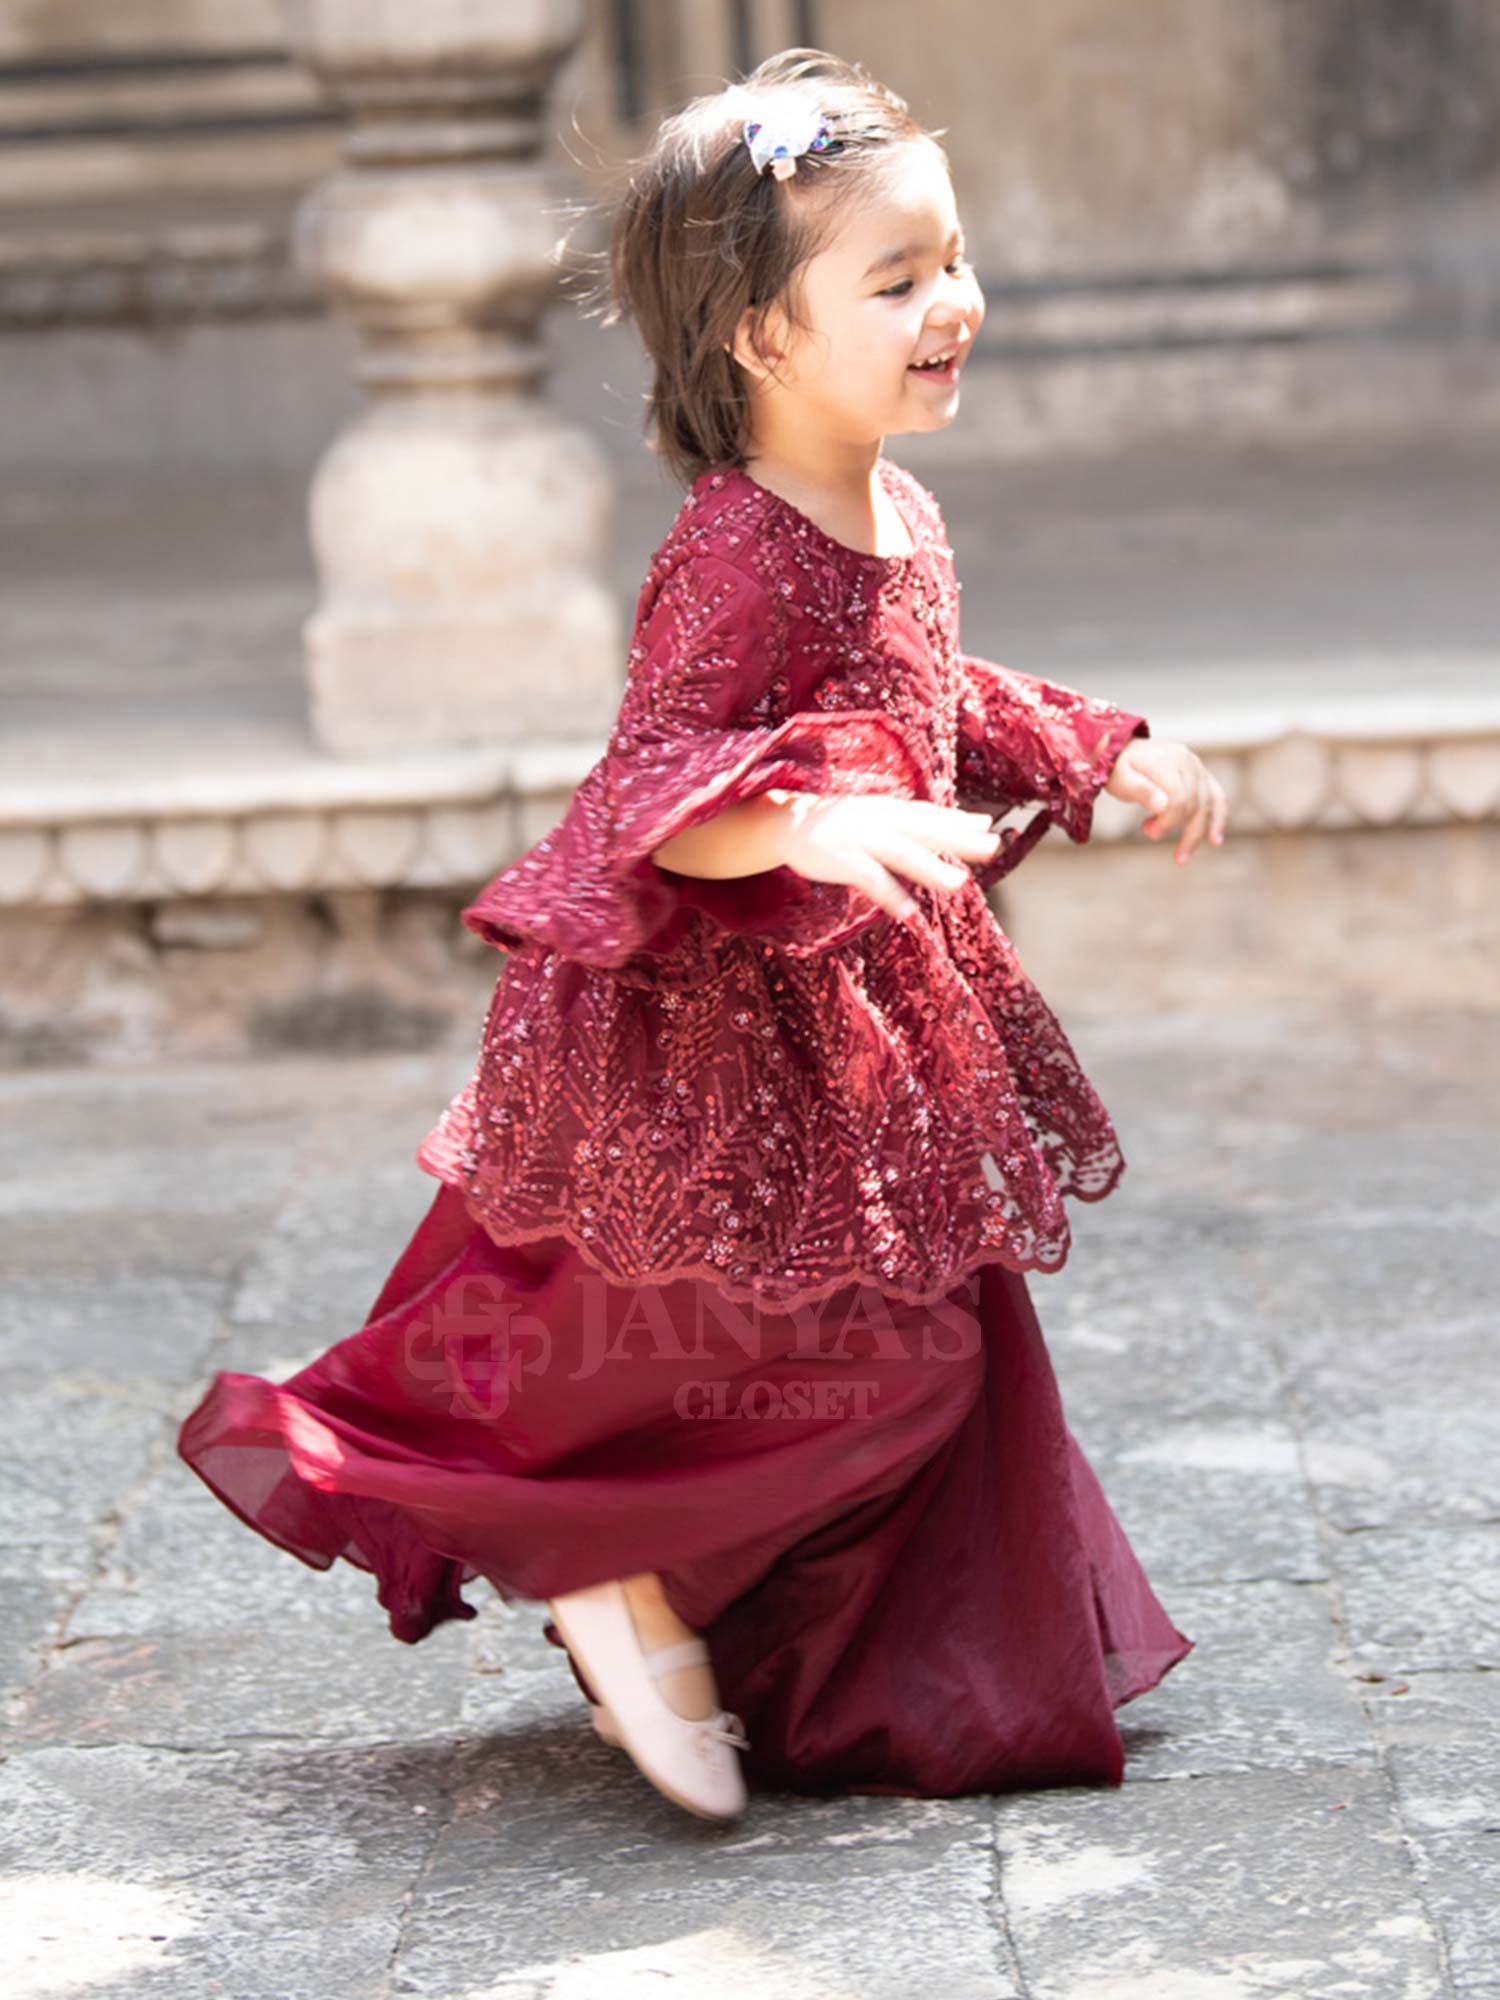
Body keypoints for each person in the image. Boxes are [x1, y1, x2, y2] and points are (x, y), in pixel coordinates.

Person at [176, 47, 1229, 1826]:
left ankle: (792, 1648)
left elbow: (927, 687)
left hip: (857, 1028)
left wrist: (1097, 741)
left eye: (952, 259)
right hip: (720, 1026)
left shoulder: (897, 507)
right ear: (754, 336)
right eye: (893, 281)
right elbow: (654, 773)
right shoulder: (736, 546)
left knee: (882, 1337)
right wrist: (810, 819)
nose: (949, 302)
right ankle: (615, 1574)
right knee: (840, 1367)